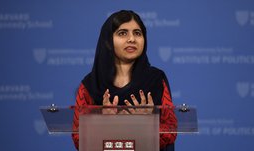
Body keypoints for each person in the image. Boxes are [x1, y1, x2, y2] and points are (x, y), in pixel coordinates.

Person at [72, 10, 177, 151]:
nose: (132, 39)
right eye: (123, 33)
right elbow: (79, 138)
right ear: (108, 42)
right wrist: (103, 122)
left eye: (137, 33)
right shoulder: (92, 83)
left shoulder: (156, 79)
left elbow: (170, 131)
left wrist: (146, 123)